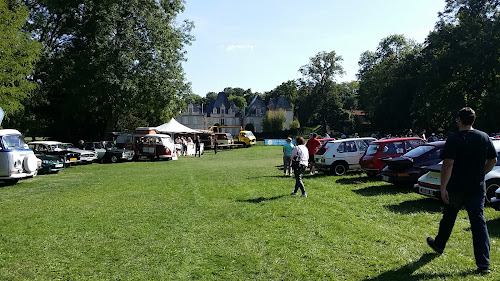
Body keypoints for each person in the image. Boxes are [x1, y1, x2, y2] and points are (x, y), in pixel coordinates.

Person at [426, 107, 497, 274]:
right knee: (479, 224)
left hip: (456, 187)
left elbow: (448, 164)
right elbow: (493, 160)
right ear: (473, 120)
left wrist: (443, 187)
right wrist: (482, 173)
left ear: (459, 120)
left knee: (449, 218)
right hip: (476, 188)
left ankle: (439, 245)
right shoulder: (484, 137)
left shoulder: (454, 139)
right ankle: (483, 264)